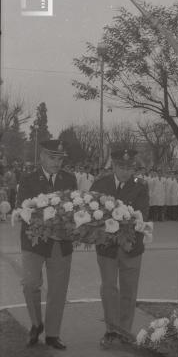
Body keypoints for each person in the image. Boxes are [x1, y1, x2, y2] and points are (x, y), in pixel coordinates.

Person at [16, 140, 77, 350]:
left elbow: (75, 209)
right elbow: (23, 209)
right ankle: (36, 323)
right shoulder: (28, 179)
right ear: (42, 156)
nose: (57, 162)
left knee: (58, 290)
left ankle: (52, 334)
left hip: (61, 244)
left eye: (60, 159)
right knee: (30, 283)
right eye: (53, 157)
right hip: (34, 242)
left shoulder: (69, 179)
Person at [90, 147, 149, 347]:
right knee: (108, 289)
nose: (126, 171)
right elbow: (92, 215)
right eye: (122, 167)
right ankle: (111, 331)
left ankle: (124, 331)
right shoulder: (100, 184)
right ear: (113, 165)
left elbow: (142, 216)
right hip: (107, 248)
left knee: (128, 291)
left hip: (131, 248)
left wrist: (126, 237)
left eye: (130, 167)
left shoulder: (141, 186)